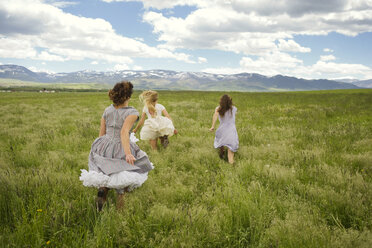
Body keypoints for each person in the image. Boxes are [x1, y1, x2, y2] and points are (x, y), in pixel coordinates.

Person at [79, 81, 154, 211]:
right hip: (120, 145)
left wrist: (99, 147)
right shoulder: (132, 112)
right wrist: (128, 153)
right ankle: (120, 212)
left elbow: (102, 132)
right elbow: (124, 132)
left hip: (103, 144)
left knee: (106, 171)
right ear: (128, 97)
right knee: (122, 177)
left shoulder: (108, 110)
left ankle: (103, 192)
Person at [209, 94, 239, 164]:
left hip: (222, 129)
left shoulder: (218, 109)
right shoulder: (234, 109)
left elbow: (215, 116)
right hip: (231, 130)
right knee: (230, 149)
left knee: (221, 141)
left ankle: (222, 152)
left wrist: (212, 126)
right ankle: (231, 163)